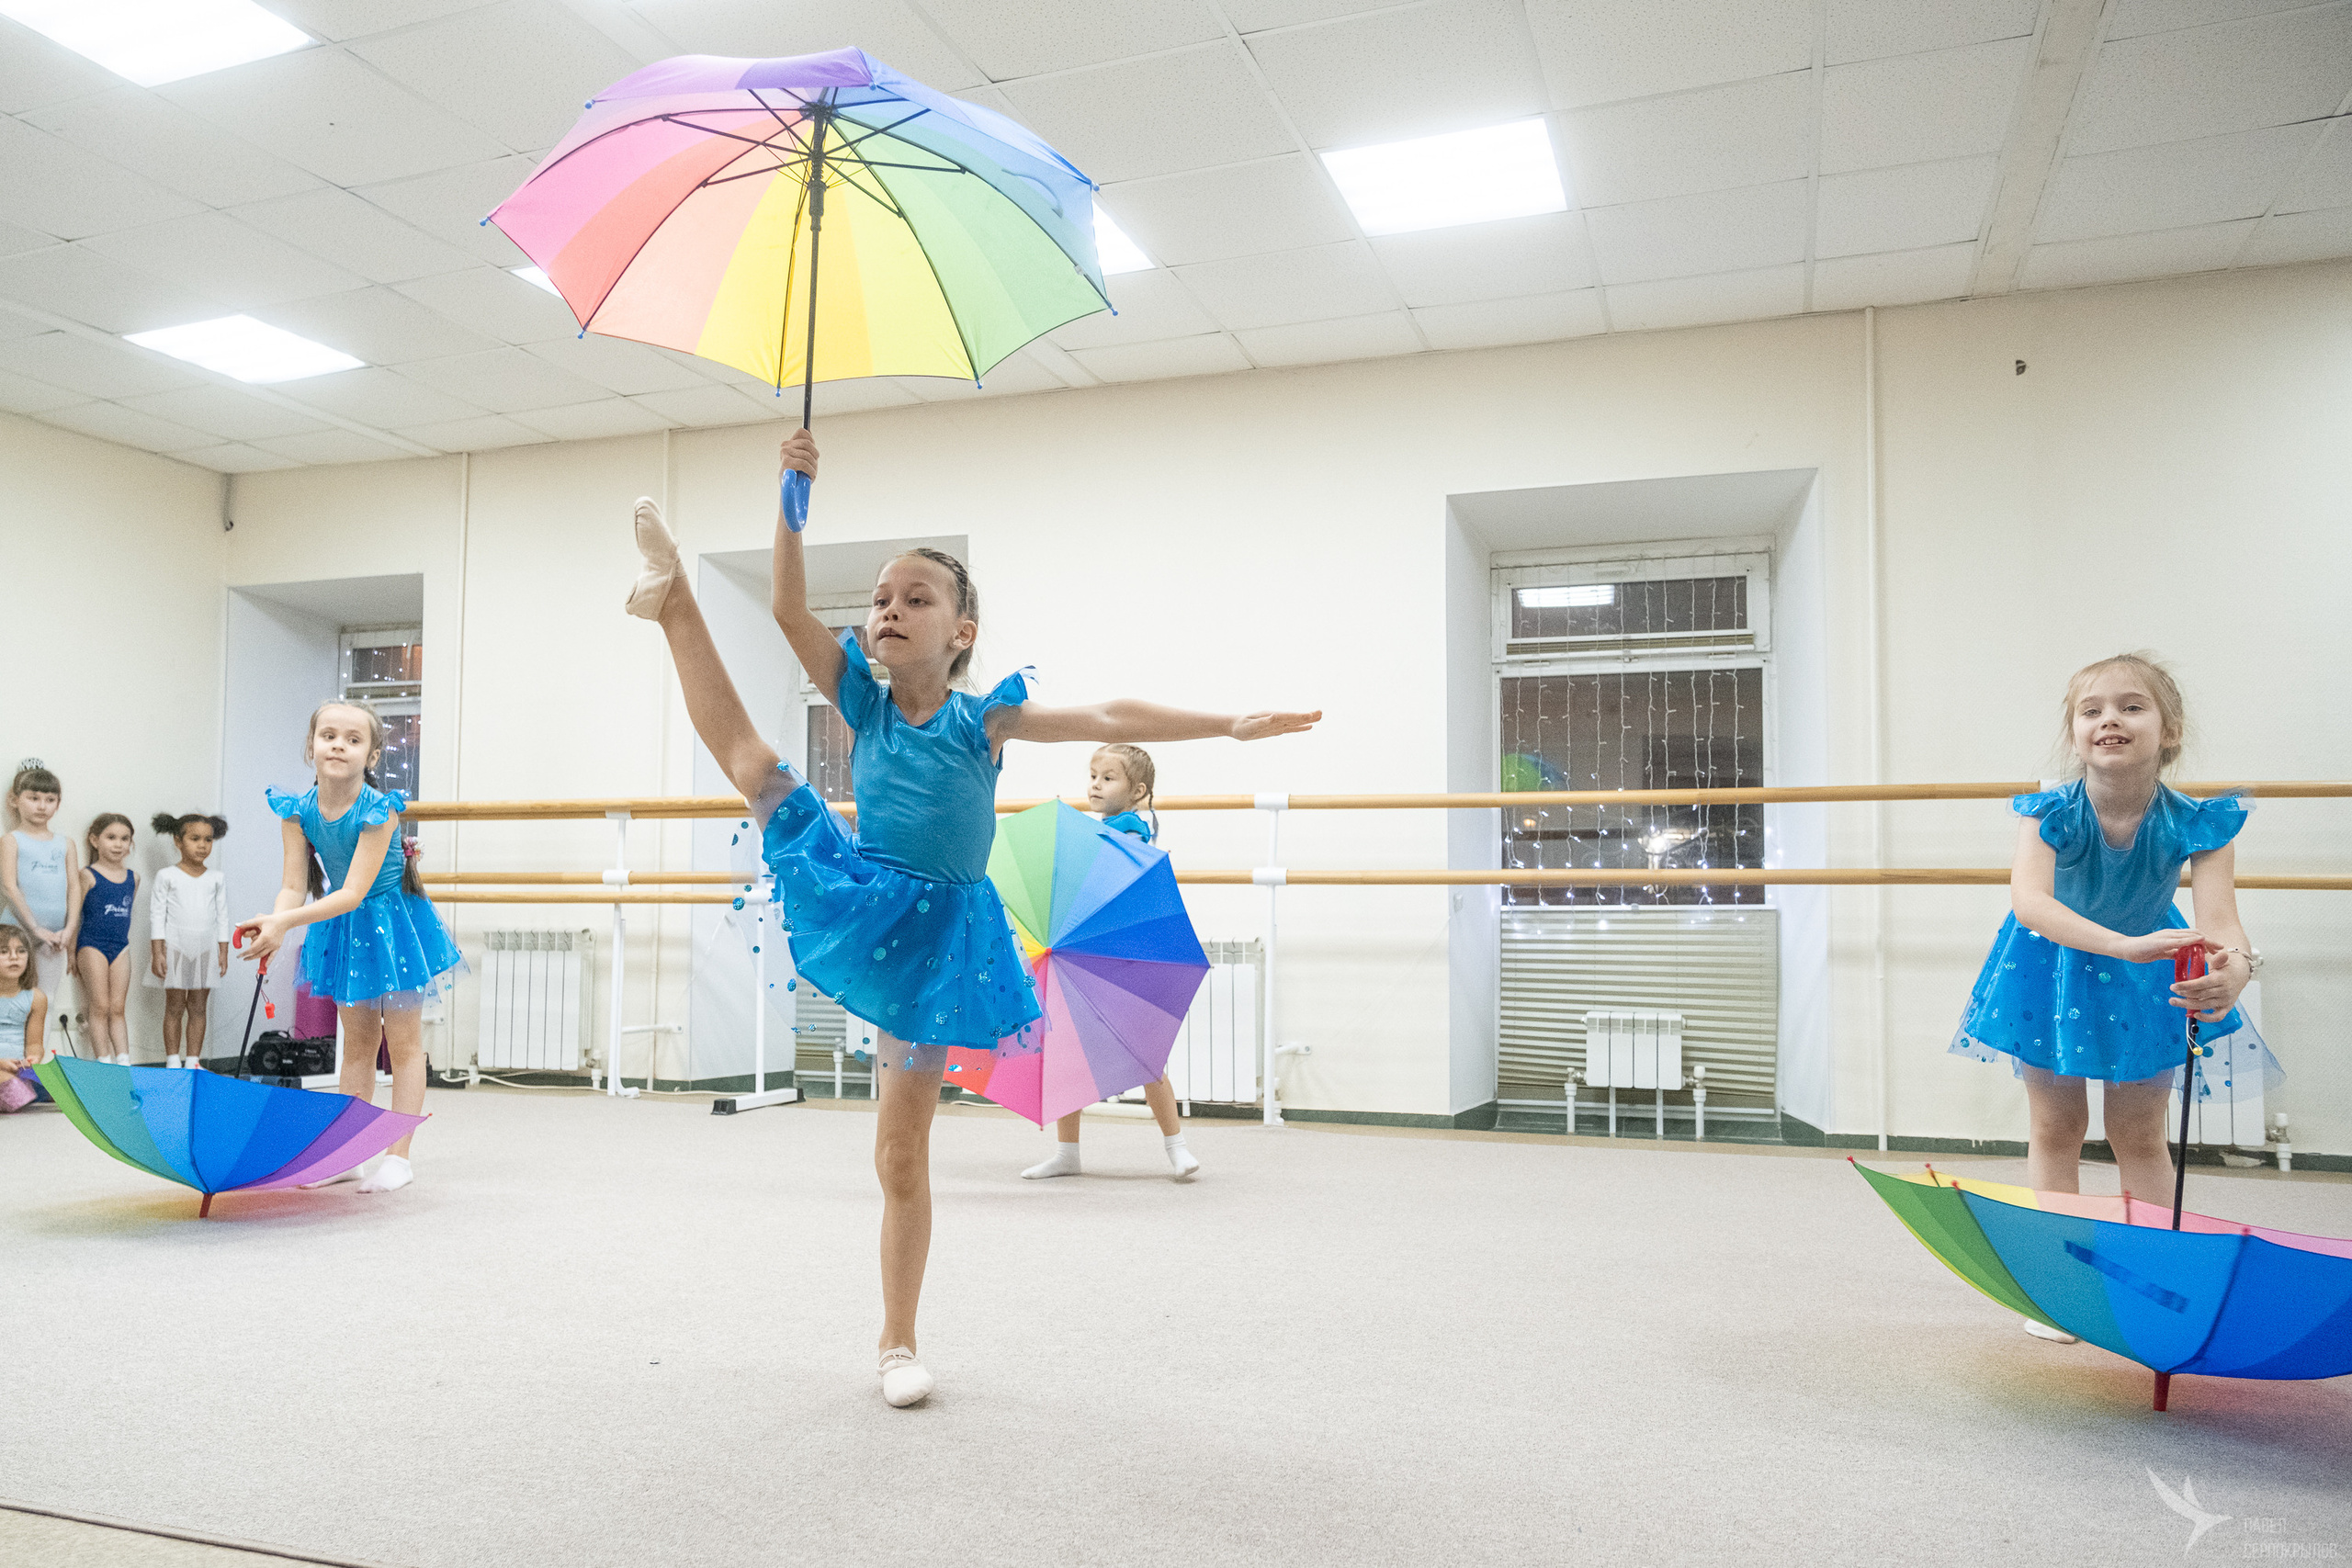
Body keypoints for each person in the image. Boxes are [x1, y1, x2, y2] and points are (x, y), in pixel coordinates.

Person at [625, 428, 1318, 1408]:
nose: (890, 609)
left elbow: (1110, 715)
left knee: (902, 1153)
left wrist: (1227, 723)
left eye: (917, 598)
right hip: (868, 895)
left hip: (940, 944)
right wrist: (792, 489)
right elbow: (786, 606)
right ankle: (672, 601)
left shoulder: (982, 719)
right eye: (880, 597)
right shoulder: (861, 700)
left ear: (961, 634)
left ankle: (897, 1340)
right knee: (757, 769)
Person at [1950, 651, 2276, 1344]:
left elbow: (2221, 922)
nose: (2110, 720)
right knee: (2056, 1123)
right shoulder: (2049, 812)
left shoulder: (2199, 822)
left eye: (2132, 706)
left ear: (2170, 728)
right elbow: (2031, 902)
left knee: (2138, 1131)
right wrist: (2124, 946)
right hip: (2052, 967)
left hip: (2146, 974)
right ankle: (2056, 1285)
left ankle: (2152, 1275)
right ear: (2074, 733)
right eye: (2092, 710)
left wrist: (2237, 967)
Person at [235, 703, 462, 1193]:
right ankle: (348, 1153)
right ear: (311, 746)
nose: (338, 744)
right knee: (355, 1046)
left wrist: (284, 923)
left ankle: (398, 1157)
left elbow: (353, 892)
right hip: (341, 928)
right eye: (328, 735)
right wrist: (276, 923)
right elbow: (294, 886)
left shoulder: (378, 810)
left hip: (392, 926)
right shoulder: (296, 812)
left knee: (401, 1046)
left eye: (353, 739)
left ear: (372, 755)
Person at [1022, 744, 1198, 1181]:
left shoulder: (1130, 827)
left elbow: (1125, 863)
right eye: (1093, 775)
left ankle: (1176, 1146)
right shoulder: (1108, 826)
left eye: (1108, 778)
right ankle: (1068, 1152)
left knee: (1146, 1057)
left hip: (1114, 957)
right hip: (1081, 949)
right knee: (1066, 1053)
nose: (1095, 785)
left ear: (1138, 791)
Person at [147, 813, 232, 1068]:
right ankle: (173, 1061)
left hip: (205, 949)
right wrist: (158, 952)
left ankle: (193, 1061)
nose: (202, 845)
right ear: (178, 840)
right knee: (174, 1007)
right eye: (195, 838)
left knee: (198, 1007)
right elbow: (157, 915)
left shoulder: (216, 878)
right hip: (175, 947)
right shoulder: (167, 876)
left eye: (208, 839)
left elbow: (222, 916)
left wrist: (223, 951)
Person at [0, 761, 81, 1006]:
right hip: (17, 930)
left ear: (58, 803)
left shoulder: (66, 843)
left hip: (55, 935)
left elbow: (75, 887)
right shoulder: (11, 840)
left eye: (50, 799)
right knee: (9, 998)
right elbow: (8, 886)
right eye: (33, 798)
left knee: (46, 1000)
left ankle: (39, 1047)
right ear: (15, 800)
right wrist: (34, 927)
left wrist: (69, 930)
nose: (42, 806)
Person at [74, 814, 138, 1065]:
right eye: (111, 837)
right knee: (99, 1006)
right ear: (94, 840)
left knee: (117, 1008)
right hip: (92, 945)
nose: (118, 844)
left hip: (121, 947)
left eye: (125, 839)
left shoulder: (134, 878)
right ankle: (104, 1063)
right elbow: (75, 917)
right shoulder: (88, 875)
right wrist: (71, 953)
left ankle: (124, 1063)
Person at [0, 924, 49, 1113]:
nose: (14, 957)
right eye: (4, 952)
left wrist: (34, 1058)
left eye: (21, 951)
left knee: (62, 1086)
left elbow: (35, 1043)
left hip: (16, 1068)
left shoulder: (36, 998)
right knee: (16, 1093)